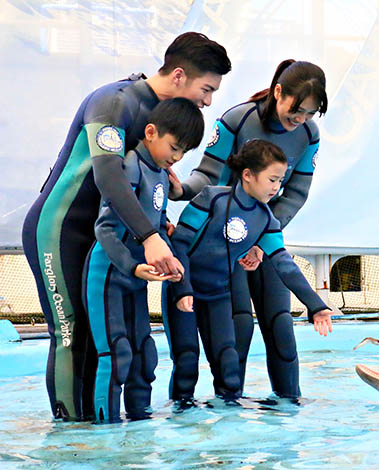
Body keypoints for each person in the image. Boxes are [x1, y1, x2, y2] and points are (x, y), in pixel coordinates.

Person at [21, 32, 231, 421]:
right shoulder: (115, 102)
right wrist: (148, 236)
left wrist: (159, 223)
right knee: (72, 335)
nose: (208, 101)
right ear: (180, 75)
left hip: (109, 235)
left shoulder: (162, 120)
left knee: (112, 341)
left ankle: (99, 433)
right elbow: (109, 178)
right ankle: (69, 442)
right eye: (206, 89)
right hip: (61, 230)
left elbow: (141, 186)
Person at [169, 60, 327, 398]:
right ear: (278, 92)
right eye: (296, 110)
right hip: (226, 246)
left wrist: (261, 239)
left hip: (264, 234)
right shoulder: (237, 120)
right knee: (237, 331)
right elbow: (208, 176)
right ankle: (230, 412)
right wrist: (181, 190)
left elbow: (295, 193)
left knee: (280, 325)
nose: (299, 120)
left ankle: (288, 409)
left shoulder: (308, 136)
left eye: (309, 114)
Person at [82, 98, 204, 423]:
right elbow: (105, 228)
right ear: (151, 132)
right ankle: (106, 431)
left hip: (138, 277)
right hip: (108, 273)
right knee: (117, 353)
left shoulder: (162, 176)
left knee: (143, 354)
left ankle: (139, 426)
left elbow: (157, 222)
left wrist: (171, 260)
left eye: (183, 153)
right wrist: (132, 265)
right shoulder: (131, 165)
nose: (176, 158)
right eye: (174, 148)